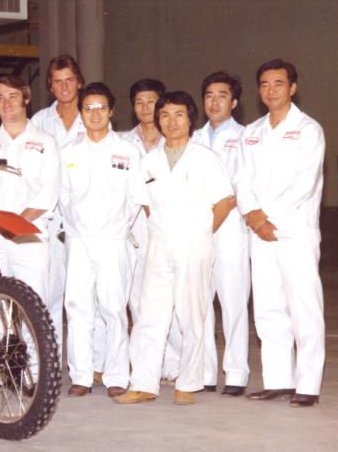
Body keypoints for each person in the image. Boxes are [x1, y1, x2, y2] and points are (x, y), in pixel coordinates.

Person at [115, 92, 234, 406]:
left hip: (195, 244)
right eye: (164, 114)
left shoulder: (205, 157)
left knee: (191, 315)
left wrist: (202, 231)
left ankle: (188, 383)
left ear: (190, 119)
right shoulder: (150, 161)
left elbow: (225, 201)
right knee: (149, 315)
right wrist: (164, 230)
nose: (171, 121)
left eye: (178, 114)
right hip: (159, 244)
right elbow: (147, 205)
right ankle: (143, 383)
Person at [236, 59, 325, 408]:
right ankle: (278, 380)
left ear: (292, 88)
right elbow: (242, 180)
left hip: (294, 232)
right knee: (268, 308)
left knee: (304, 308)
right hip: (259, 232)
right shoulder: (252, 131)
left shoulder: (308, 130)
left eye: (278, 83)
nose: (270, 90)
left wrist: (265, 217)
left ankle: (308, 385)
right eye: (264, 84)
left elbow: (303, 184)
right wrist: (254, 217)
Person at [59, 83, 147, 398]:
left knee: (113, 308)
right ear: (81, 113)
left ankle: (116, 376)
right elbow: (63, 197)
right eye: (88, 108)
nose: (94, 114)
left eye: (100, 108)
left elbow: (137, 199)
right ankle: (81, 375)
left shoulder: (127, 150)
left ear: (111, 111)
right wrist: (76, 228)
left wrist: (117, 227)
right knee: (78, 307)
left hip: (114, 240)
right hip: (79, 240)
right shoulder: (69, 152)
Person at [190, 71, 250, 396]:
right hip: (198, 231)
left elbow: (234, 191)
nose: (214, 101)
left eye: (222, 95)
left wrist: (208, 225)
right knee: (199, 303)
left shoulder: (245, 137)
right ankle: (206, 372)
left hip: (228, 231)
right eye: (209, 95)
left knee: (233, 302)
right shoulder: (192, 138)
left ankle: (237, 374)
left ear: (235, 101)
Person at [0, 76, 59, 300]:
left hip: (30, 236)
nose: (6, 103)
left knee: (34, 306)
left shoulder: (45, 141)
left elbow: (50, 187)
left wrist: (19, 222)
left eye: (13, 96)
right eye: (0, 97)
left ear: (26, 98)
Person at [29, 55, 88, 365]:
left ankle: (87, 364)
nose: (64, 87)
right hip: (48, 218)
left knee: (82, 296)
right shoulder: (39, 121)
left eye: (69, 80)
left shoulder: (92, 116)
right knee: (49, 290)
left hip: (83, 217)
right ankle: (50, 360)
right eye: (57, 81)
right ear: (50, 87)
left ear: (79, 82)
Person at [120, 78, 166, 329]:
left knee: (165, 298)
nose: (146, 107)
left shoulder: (174, 140)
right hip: (134, 230)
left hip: (166, 228)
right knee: (136, 298)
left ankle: (171, 365)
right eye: (139, 102)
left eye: (151, 101)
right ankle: (142, 363)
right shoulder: (122, 143)